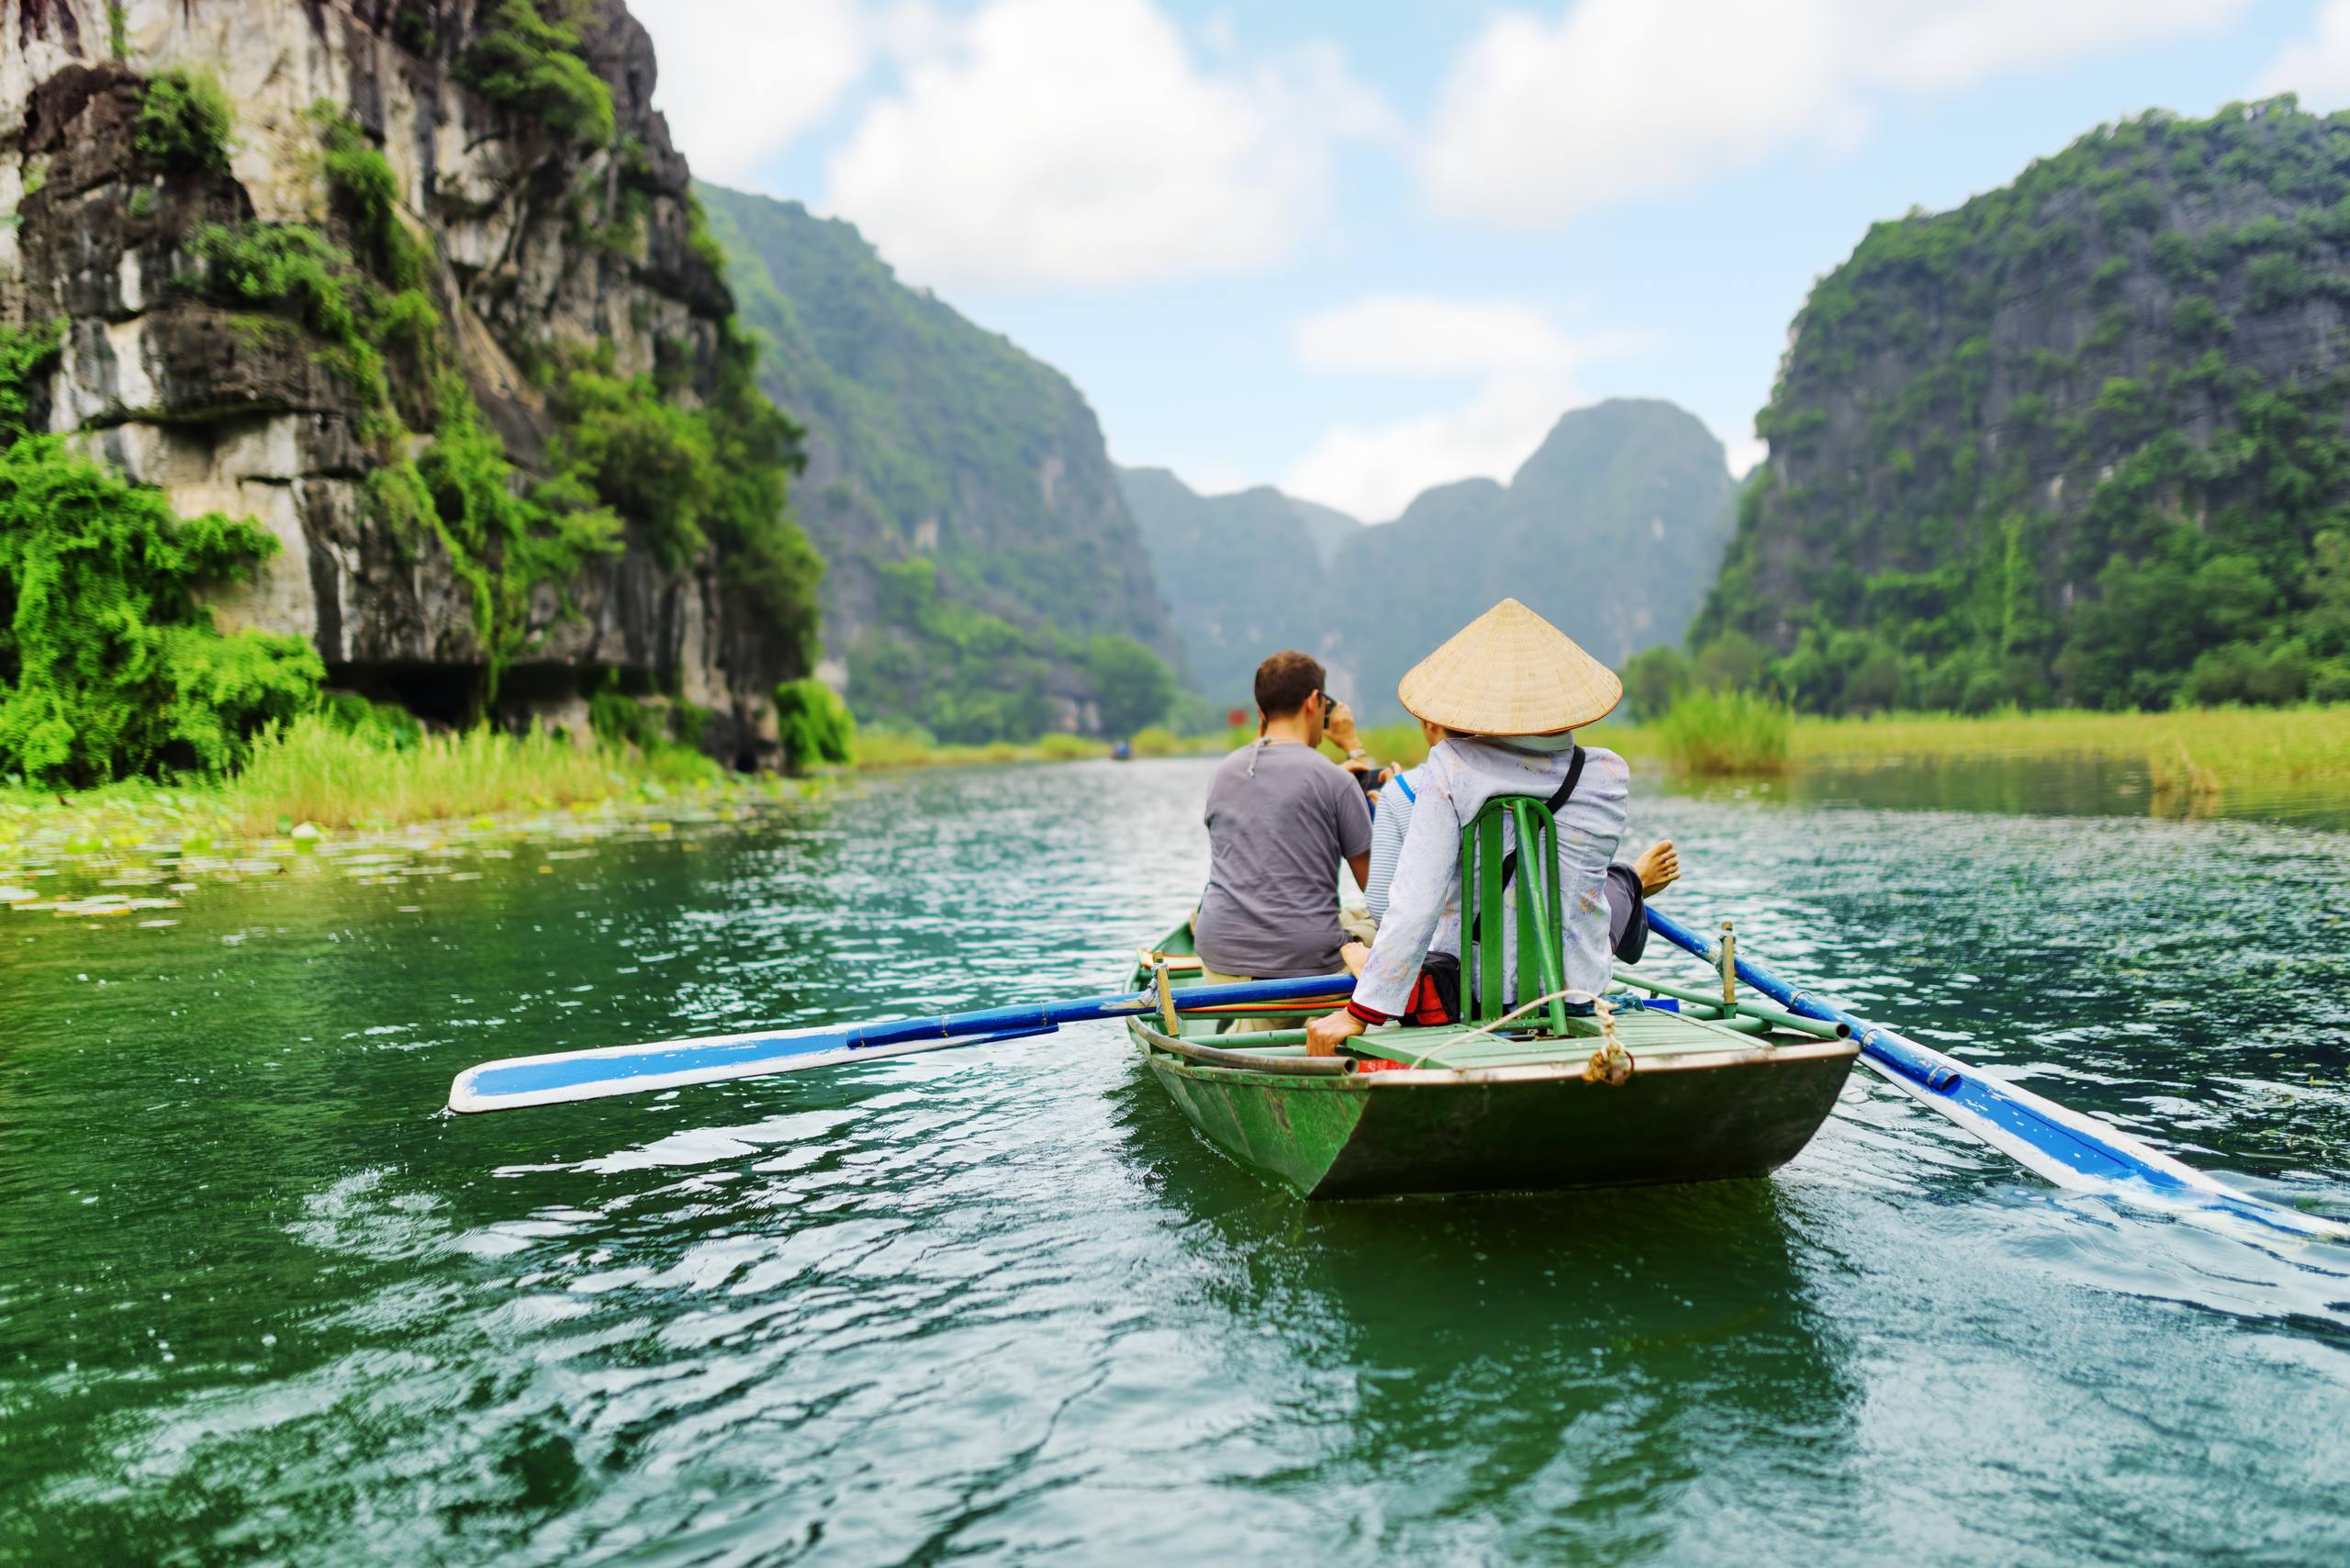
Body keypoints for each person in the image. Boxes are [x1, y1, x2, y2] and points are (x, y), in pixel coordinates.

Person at [1306, 599, 1629, 1056]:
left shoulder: (1452, 766)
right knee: (1624, 885)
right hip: (1580, 994)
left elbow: (1416, 900)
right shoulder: (1610, 774)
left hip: (1473, 998)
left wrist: (1361, 1012)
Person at [1359, 714, 1679, 971]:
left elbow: (1379, 903)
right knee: (1612, 878)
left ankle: (1630, 881)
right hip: (1571, 977)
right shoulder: (1605, 773)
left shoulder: (1408, 787)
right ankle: (1633, 881)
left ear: (1432, 721)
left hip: (1461, 977)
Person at [1192, 652, 1376, 1007]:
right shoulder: (1337, 781)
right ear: (1314, 703)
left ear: (1262, 711)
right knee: (1375, 923)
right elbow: (1380, 894)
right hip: (1307, 968)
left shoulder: (1222, 773)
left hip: (1219, 963)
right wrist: (1354, 748)